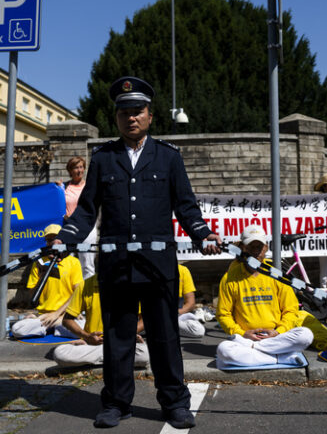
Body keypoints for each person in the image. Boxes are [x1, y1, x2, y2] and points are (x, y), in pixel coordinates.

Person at [54, 76, 222, 429]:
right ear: (116, 118)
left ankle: (175, 403)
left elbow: (186, 205)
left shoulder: (168, 157)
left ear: (149, 115)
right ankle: (116, 403)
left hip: (158, 267)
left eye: (138, 111)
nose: (131, 117)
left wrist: (202, 232)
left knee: (165, 337)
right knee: (118, 338)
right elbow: (87, 209)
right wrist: (66, 237)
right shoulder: (103, 158)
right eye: (124, 112)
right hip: (116, 266)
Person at [216, 225, 314, 367]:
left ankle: (257, 352)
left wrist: (278, 332)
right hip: (246, 338)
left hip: (276, 337)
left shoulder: (277, 274)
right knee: (224, 349)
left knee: (305, 335)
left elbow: (291, 310)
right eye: (251, 247)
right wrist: (242, 334)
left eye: (259, 247)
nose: (256, 251)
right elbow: (223, 314)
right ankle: (279, 358)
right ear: (242, 248)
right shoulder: (230, 277)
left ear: (266, 248)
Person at [52, 273, 149, 368]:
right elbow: (67, 320)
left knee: (144, 355)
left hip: (121, 344)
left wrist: (129, 333)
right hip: (93, 344)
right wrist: (86, 336)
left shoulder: (131, 285)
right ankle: (115, 358)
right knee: (59, 353)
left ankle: (99, 358)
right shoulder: (85, 285)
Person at [12, 224, 83, 339]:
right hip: (44, 316)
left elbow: (78, 292)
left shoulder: (73, 262)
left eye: (56, 239)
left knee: (86, 329)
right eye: (49, 240)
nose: (53, 243)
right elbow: (32, 294)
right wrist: (42, 276)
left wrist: (58, 314)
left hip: (65, 314)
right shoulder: (39, 262)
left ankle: (57, 324)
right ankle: (54, 327)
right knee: (17, 330)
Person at [59, 156, 97, 279]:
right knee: (66, 262)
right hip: (68, 227)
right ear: (70, 170)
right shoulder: (63, 187)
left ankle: (88, 290)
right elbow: (56, 204)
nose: (79, 170)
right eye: (76, 168)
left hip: (88, 228)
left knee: (87, 264)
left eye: (81, 167)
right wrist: (56, 188)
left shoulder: (90, 187)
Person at [177, 263, 205, 337]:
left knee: (198, 330)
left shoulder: (182, 270)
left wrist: (172, 315)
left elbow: (190, 303)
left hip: (173, 315)